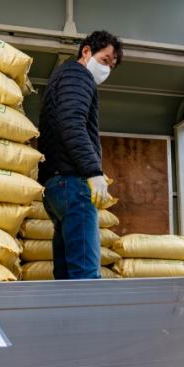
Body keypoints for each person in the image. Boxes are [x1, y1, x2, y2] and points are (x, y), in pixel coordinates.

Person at [38, 30, 123, 280]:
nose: (106, 69)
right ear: (86, 51)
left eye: (111, 66)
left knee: (66, 276)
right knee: (86, 278)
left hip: (55, 185)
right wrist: (93, 171)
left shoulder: (60, 77)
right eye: (105, 60)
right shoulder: (78, 75)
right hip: (73, 183)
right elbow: (72, 123)